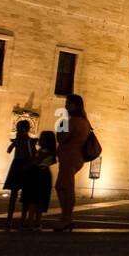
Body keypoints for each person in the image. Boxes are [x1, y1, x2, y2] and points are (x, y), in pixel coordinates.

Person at [54, 93, 93, 232]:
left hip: (69, 157)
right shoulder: (84, 122)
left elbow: (62, 138)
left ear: (75, 105)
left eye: (68, 103)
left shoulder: (72, 121)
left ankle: (66, 219)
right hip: (75, 158)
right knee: (61, 186)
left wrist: (60, 127)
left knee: (66, 187)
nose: (65, 106)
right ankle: (66, 217)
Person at [21, 131, 57, 232]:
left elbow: (36, 161)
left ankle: (31, 222)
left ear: (48, 141)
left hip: (39, 175)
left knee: (34, 200)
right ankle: (36, 222)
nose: (40, 140)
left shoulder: (45, 152)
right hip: (41, 175)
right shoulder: (45, 151)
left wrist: (32, 147)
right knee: (38, 200)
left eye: (42, 138)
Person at [3, 120, 35, 230]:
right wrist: (14, 142)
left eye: (20, 128)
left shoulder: (29, 141)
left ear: (26, 130)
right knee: (13, 195)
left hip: (24, 166)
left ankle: (22, 221)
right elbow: (8, 150)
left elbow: (32, 155)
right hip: (17, 165)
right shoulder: (19, 140)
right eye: (17, 128)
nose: (18, 130)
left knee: (25, 196)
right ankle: (9, 220)